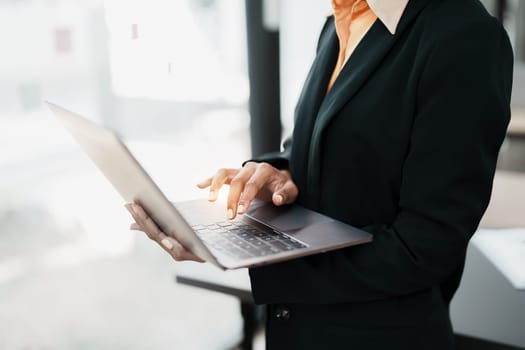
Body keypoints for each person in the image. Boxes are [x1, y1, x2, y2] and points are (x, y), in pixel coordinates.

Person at [126, 0, 513, 348]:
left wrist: (257, 258)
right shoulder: (341, 20)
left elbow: (425, 247)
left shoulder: (464, 37)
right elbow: (315, 144)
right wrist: (278, 173)